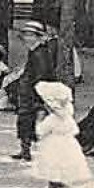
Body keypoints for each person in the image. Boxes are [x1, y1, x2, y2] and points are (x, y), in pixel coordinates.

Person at [31, 81, 91, 188]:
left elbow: (40, 132)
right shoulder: (67, 118)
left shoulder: (51, 119)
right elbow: (75, 130)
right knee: (54, 178)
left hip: (53, 150)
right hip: (68, 149)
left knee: (54, 178)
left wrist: (39, 120)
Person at [10, 20, 59, 161]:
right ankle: (25, 150)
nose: (27, 38)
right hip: (29, 92)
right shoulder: (36, 51)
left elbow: (42, 74)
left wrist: (35, 91)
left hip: (33, 93)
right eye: (26, 35)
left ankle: (30, 151)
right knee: (26, 121)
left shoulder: (40, 53)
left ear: (38, 37)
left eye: (30, 35)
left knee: (30, 121)